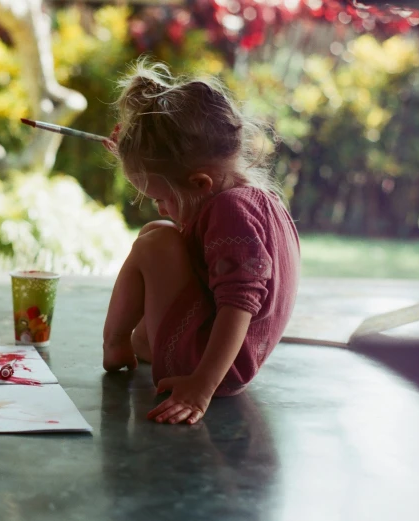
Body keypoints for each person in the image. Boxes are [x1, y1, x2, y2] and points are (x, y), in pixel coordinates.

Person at [102, 59, 300, 425]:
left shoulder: (230, 211)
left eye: (162, 197)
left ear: (200, 183)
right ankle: (133, 344)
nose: (160, 206)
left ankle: (115, 344)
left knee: (154, 242)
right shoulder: (252, 199)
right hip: (218, 358)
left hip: (210, 369)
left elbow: (239, 304)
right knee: (158, 230)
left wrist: (202, 386)